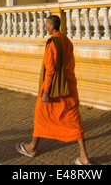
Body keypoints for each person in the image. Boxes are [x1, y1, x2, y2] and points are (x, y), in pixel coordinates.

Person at [16, 15, 90, 165]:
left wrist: (46, 91)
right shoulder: (66, 40)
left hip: (54, 90)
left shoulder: (52, 43)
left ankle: (32, 147)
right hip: (68, 87)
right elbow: (70, 63)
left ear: (51, 26)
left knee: (41, 115)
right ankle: (83, 157)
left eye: (46, 24)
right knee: (74, 120)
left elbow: (50, 69)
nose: (45, 27)